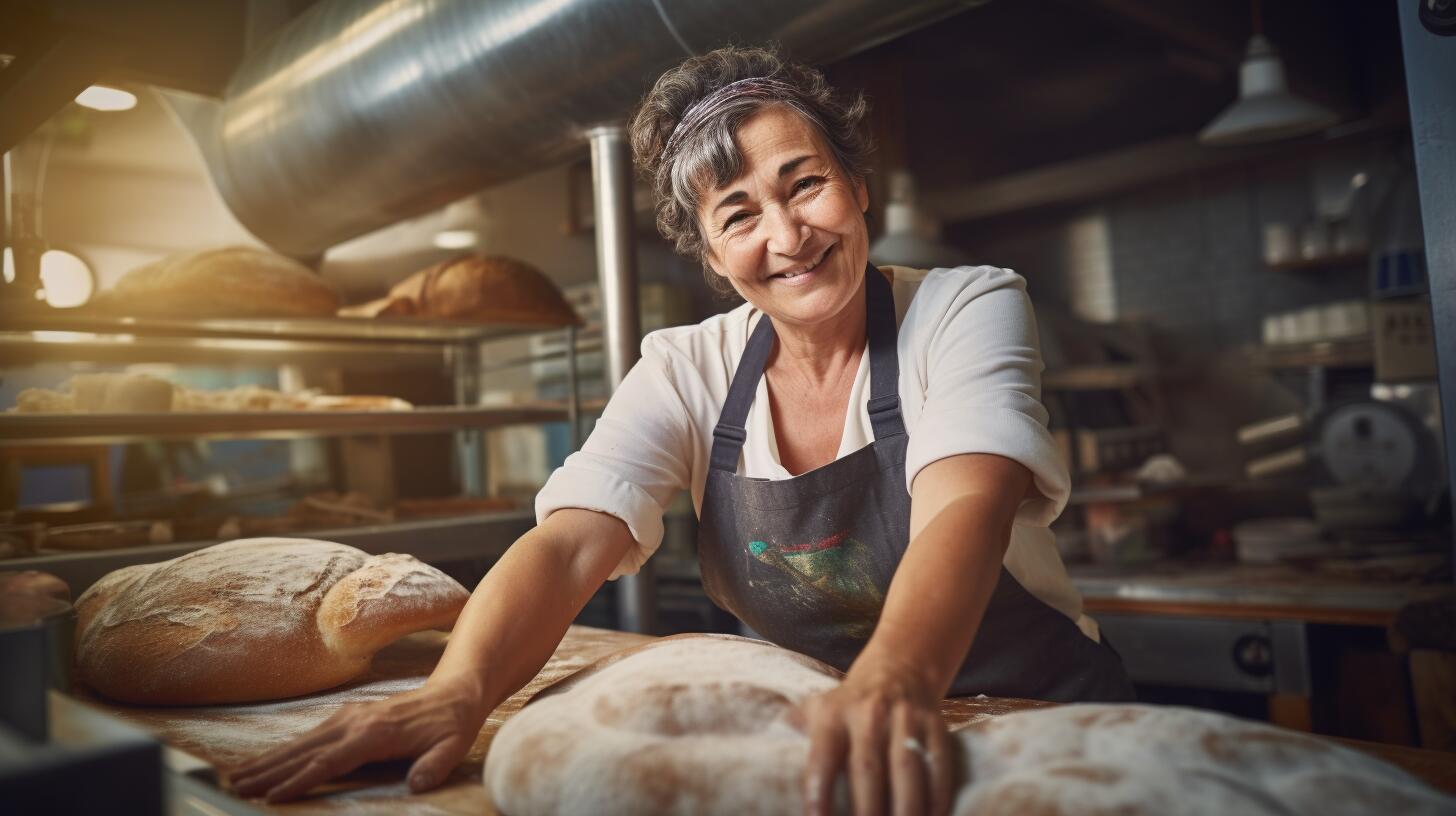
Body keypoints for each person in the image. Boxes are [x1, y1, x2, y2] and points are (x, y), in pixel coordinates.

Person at [230, 45, 1133, 815]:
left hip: (1040, 728)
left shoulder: (965, 306)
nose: (787, 234)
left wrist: (893, 677)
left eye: (805, 184)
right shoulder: (685, 366)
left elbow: (964, 507)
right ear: (711, 254)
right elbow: (572, 542)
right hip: (823, 748)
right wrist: (454, 694)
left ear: (857, 187)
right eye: (739, 214)